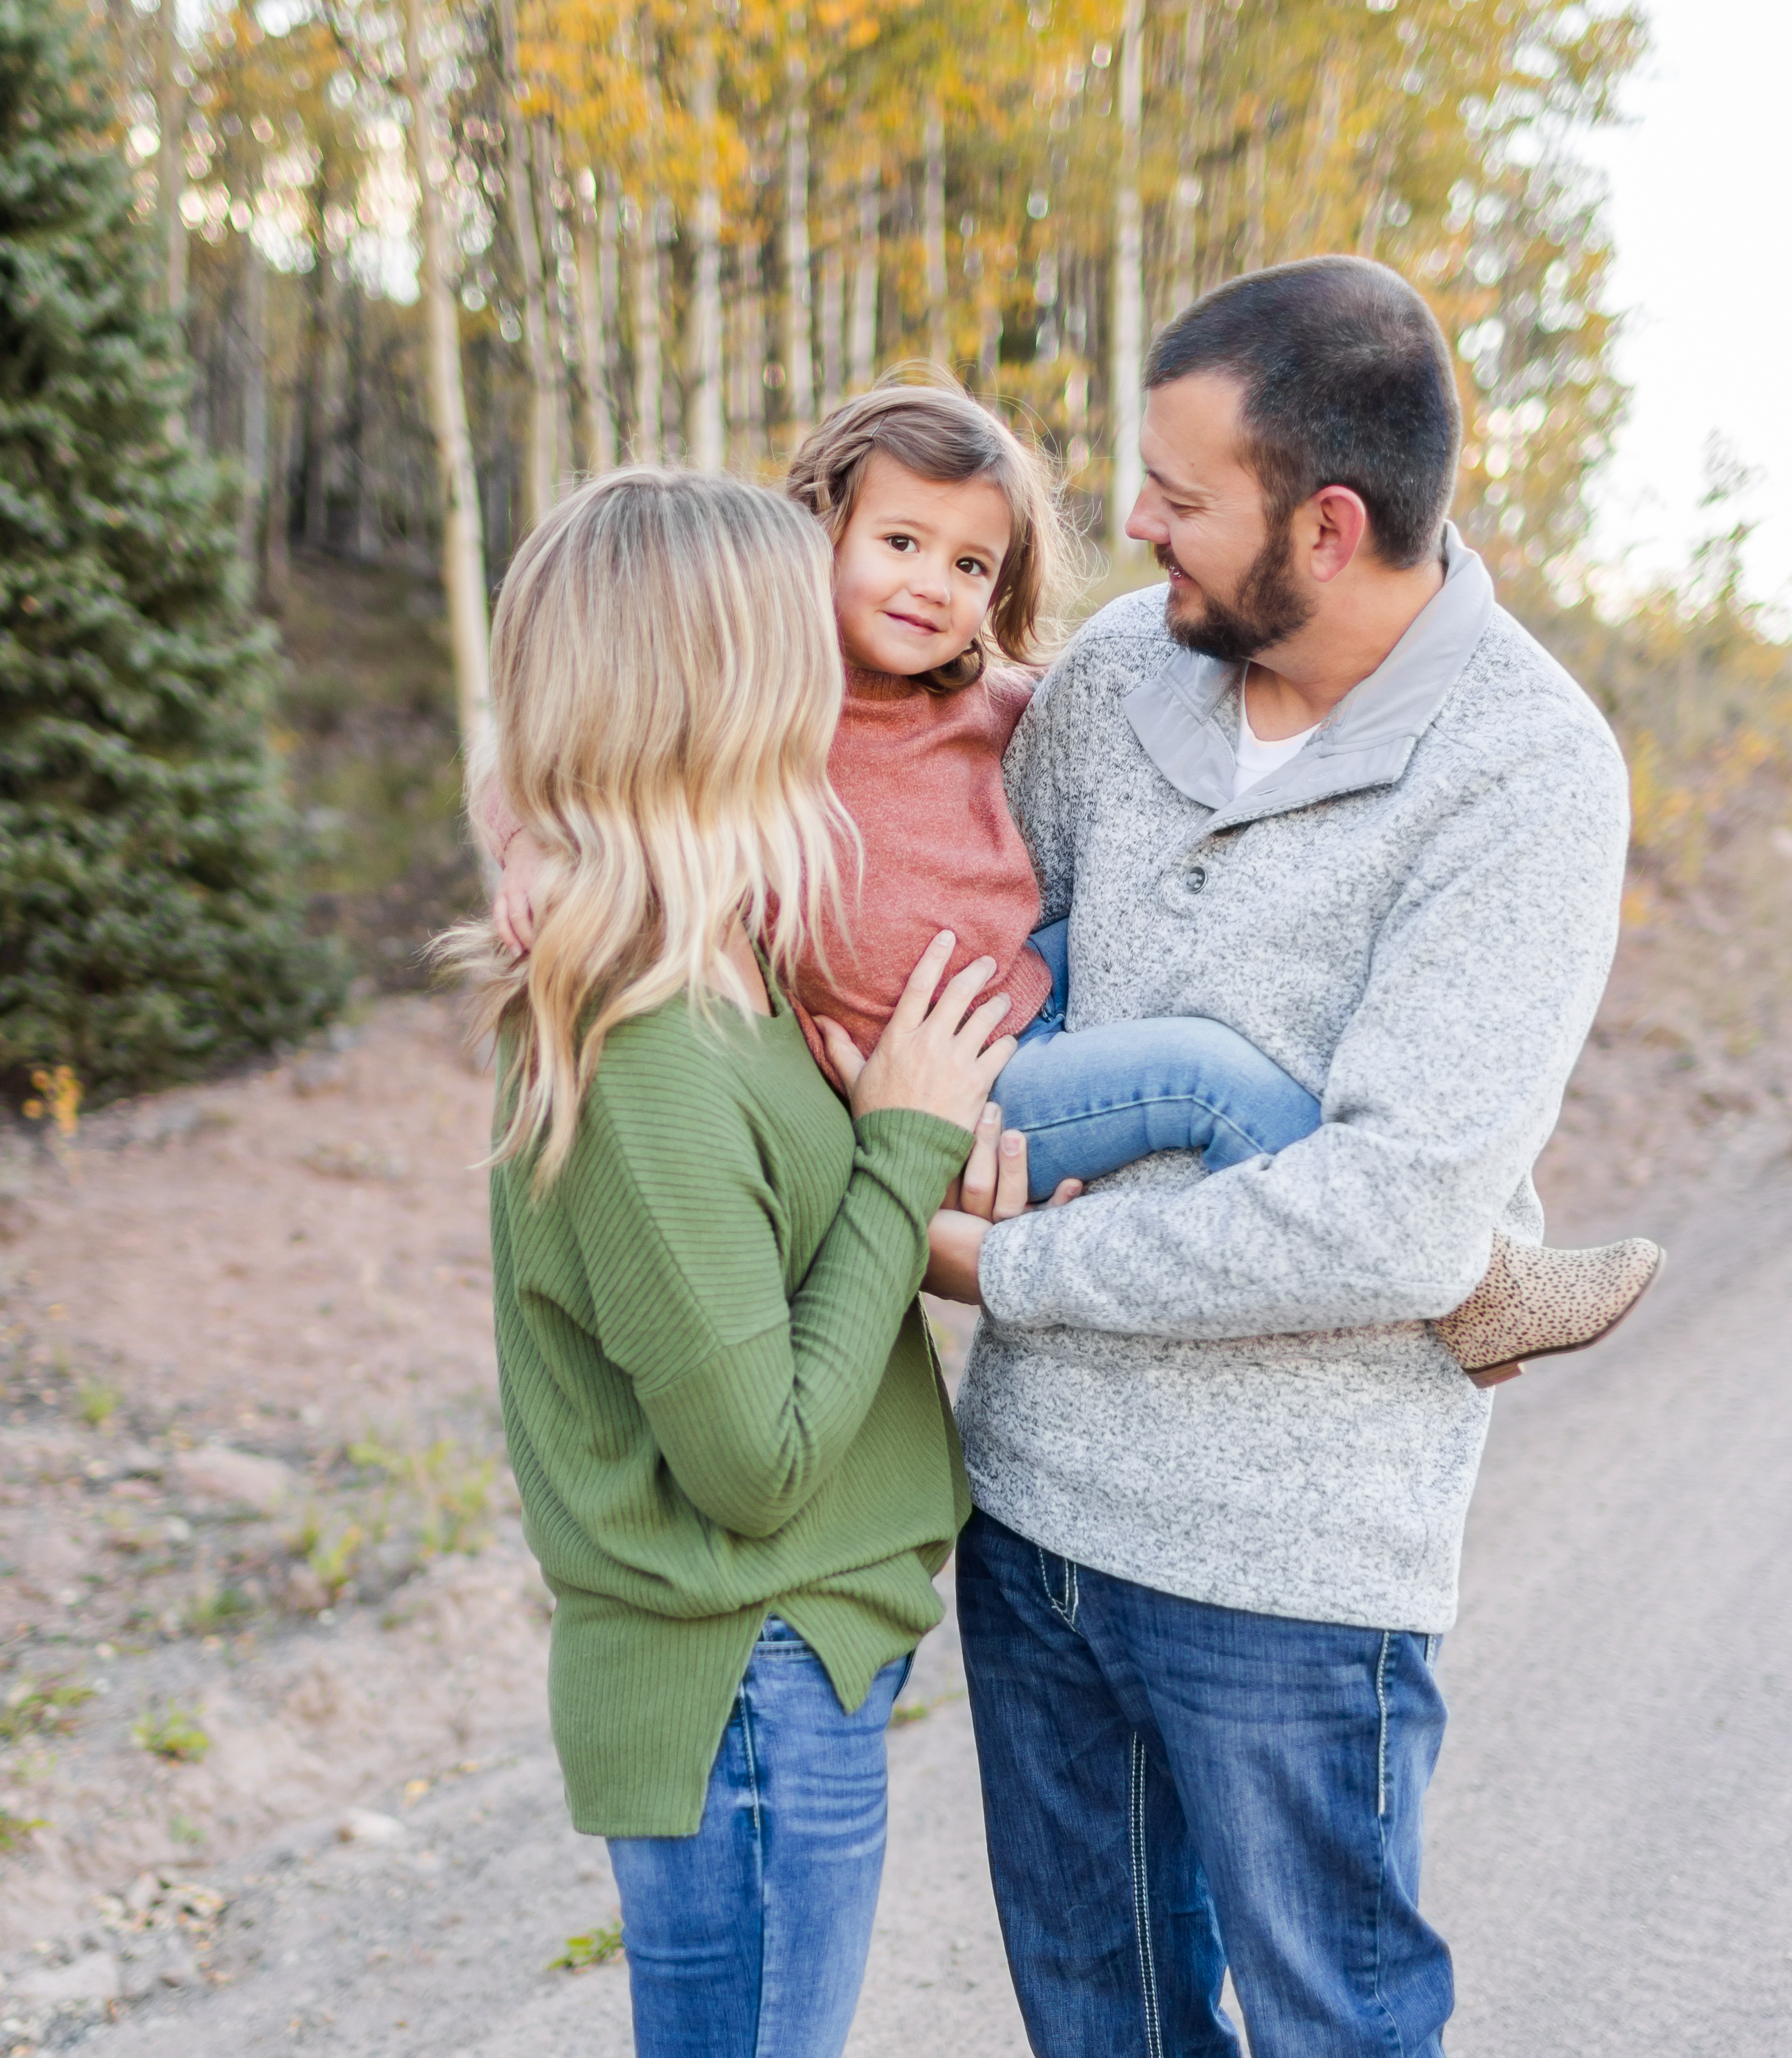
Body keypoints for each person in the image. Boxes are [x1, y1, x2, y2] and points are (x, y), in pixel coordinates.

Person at [859, 257, 1635, 2058]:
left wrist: (1016, 1277)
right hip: (1043, 1532)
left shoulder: (1523, 774)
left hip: (1294, 1576)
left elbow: (1403, 1208)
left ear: (1320, 516)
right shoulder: (1112, 684)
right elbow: (1012, 1004)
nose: (1134, 526)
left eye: (1175, 490)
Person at [470, 464, 1016, 2058]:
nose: (840, 658)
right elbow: (760, 1441)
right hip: (751, 1684)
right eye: (788, 634)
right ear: (713, 684)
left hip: (732, 1679)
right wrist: (903, 1152)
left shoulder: (658, 978)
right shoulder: (664, 1036)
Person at [481, 379, 1660, 1386]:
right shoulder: (768, 711)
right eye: (899, 544)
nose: (932, 586)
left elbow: (1132, 708)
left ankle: (1429, 1236)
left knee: (1108, 956)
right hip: (959, 1088)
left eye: (970, 564)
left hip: (1023, 1006)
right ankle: (1475, 1276)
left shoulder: (991, 702)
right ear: (818, 535)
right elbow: (582, 749)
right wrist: (531, 838)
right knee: (1199, 1070)